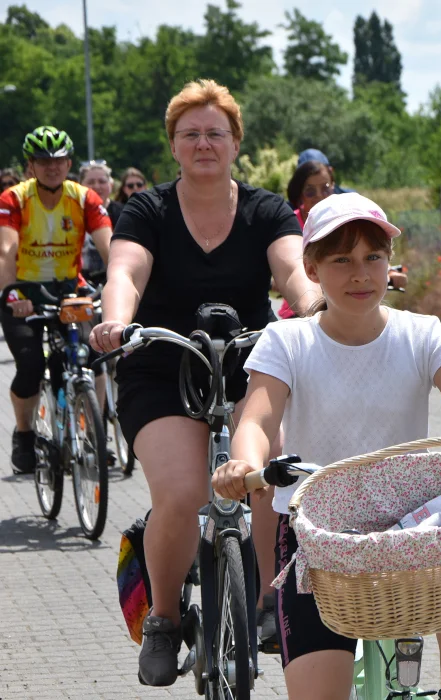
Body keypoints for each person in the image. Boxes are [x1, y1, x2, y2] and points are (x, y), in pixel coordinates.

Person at [210, 192, 441, 700]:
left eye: (373, 257)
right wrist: (244, 461)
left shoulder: (422, 334)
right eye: (342, 260)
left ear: (389, 263)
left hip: (412, 532)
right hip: (318, 536)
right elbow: (258, 416)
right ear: (311, 268)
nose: (360, 274)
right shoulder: (286, 340)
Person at [89, 79, 320, 687]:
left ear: (235, 141)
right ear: (173, 146)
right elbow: (125, 270)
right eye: (190, 134)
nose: (203, 144)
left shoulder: (266, 209)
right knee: (184, 491)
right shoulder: (147, 210)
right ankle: (164, 619)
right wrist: (116, 318)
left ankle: (272, 605)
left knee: (265, 479)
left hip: (247, 363)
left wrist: (315, 301)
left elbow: (292, 269)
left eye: (215, 133)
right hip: (161, 364)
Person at [0, 126, 113, 474]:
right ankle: (24, 433)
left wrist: (116, 286)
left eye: (59, 160)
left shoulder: (84, 198)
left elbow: (111, 248)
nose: (52, 167)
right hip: (23, 291)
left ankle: (94, 433)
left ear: (69, 163)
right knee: (31, 366)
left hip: (69, 289)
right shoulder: (14, 199)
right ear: (31, 165)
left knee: (92, 357)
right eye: (43, 161)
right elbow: (6, 251)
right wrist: (13, 294)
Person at [277, 161, 405, 319]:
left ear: (333, 186)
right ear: (310, 269)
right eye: (342, 259)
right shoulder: (289, 221)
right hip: (298, 311)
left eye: (325, 188)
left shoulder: (426, 336)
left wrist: (390, 272)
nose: (319, 195)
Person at [78, 160, 122, 278]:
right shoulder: (72, 211)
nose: (97, 186)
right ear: (80, 185)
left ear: (111, 185)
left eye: (102, 181)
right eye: (91, 182)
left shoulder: (124, 213)